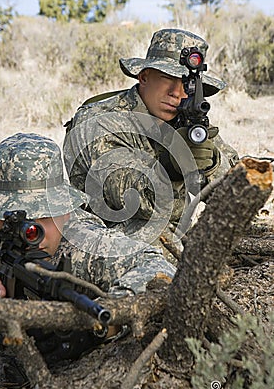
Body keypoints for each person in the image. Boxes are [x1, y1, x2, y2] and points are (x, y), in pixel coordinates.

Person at [0, 132, 176, 379]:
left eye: (47, 214)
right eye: (19, 220)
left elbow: (159, 267)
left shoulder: (84, 241)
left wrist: (106, 322)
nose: (33, 231)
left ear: (67, 211)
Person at [63, 28, 239, 252]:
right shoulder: (101, 121)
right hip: (103, 239)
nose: (177, 92)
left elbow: (237, 194)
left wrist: (211, 163)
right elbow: (134, 201)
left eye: (187, 84)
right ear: (144, 77)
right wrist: (174, 167)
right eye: (167, 78)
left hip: (172, 238)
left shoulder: (187, 120)